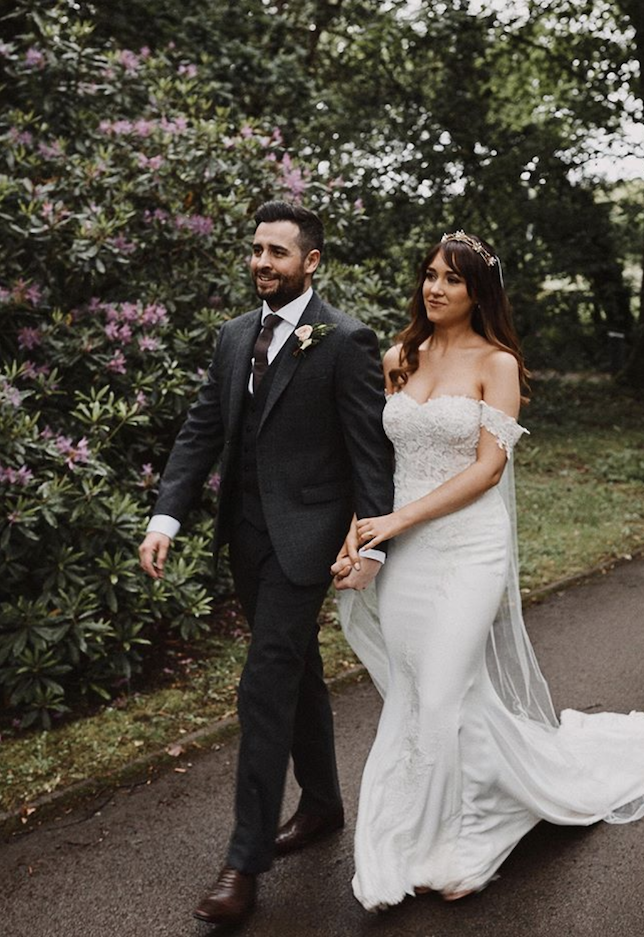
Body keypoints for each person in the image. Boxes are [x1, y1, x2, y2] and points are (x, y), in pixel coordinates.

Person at [334, 230, 644, 912]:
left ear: (477, 293)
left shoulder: (499, 363)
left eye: (452, 280)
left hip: (469, 549)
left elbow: (488, 470)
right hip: (406, 553)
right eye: (429, 274)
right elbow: (374, 463)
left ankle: (462, 839)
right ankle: (439, 813)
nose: (435, 288)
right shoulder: (400, 356)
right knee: (422, 690)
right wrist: (361, 537)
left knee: (445, 689)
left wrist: (398, 522)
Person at [138, 201, 394, 926]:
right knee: (297, 668)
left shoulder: (345, 340)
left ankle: (243, 860)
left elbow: (368, 454)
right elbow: (201, 431)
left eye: (276, 253)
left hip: (305, 542)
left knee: (264, 683)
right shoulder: (231, 337)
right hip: (245, 539)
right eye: (255, 249)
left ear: (310, 262)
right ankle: (322, 803)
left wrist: (371, 545)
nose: (260, 262)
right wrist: (166, 518)